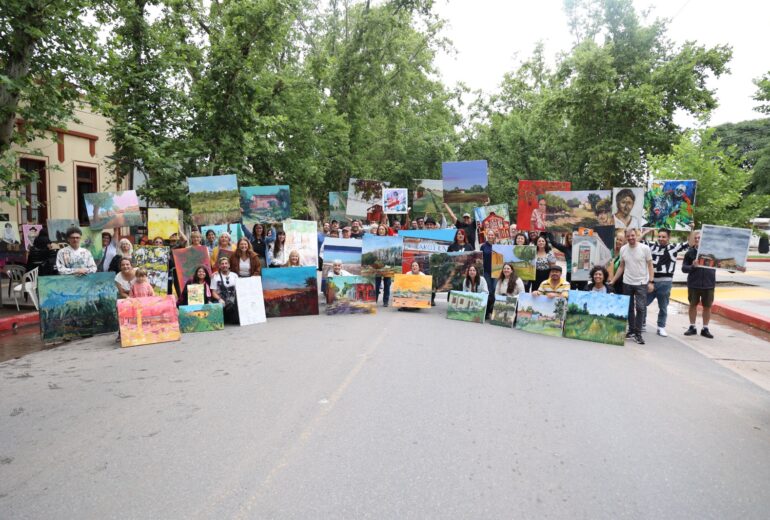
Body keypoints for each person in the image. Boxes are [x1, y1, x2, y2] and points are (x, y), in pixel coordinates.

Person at [641, 228, 691, 337]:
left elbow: (689, 243)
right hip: (651, 281)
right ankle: (642, 323)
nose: (661, 239)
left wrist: (691, 229)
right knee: (642, 303)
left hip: (665, 282)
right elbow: (638, 240)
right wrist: (645, 232)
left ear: (668, 237)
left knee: (663, 307)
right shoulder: (652, 246)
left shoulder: (673, 247)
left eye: (663, 237)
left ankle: (661, 327)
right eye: (659, 236)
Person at [609, 228, 654, 345]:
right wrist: (613, 281)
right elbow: (621, 267)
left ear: (636, 235)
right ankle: (632, 330)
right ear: (626, 237)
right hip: (627, 282)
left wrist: (651, 281)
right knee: (629, 308)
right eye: (628, 236)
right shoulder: (623, 249)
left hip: (641, 283)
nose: (630, 238)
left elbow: (650, 265)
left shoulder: (644, 248)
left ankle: (638, 333)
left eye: (632, 235)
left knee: (640, 308)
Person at [682, 231, 716, 338]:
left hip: (708, 284)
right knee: (692, 305)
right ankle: (692, 327)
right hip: (694, 284)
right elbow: (684, 268)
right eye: (696, 238)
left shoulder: (713, 253)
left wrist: (737, 268)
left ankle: (705, 328)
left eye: (699, 238)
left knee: (707, 307)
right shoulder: (690, 253)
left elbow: (724, 265)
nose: (697, 239)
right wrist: (692, 266)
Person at [212, 257, 239, 323]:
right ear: (219, 266)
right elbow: (213, 292)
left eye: (226, 263)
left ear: (229, 265)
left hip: (233, 301)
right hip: (222, 300)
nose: (224, 265)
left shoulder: (235, 275)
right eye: (222, 264)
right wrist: (219, 299)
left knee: (236, 321)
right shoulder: (215, 277)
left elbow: (238, 289)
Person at [374, 224, 392, 306]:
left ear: (385, 231)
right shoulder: (373, 240)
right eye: (379, 229)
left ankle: (385, 301)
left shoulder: (389, 240)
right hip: (377, 264)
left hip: (387, 264)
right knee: (376, 283)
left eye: (382, 229)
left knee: (387, 283)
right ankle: (374, 300)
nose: (381, 231)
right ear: (377, 231)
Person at [480, 230, 497, 318]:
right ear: (487, 236)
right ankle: (487, 311)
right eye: (489, 235)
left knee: (495, 291)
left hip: (496, 272)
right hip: (486, 272)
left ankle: (493, 310)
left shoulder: (498, 246)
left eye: (492, 235)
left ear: (494, 236)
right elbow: (480, 259)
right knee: (489, 291)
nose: (490, 236)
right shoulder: (483, 246)